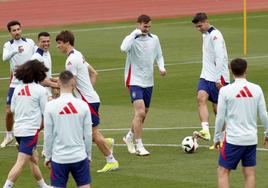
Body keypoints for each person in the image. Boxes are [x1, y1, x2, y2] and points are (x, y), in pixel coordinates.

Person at [55, 30, 119, 172]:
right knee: (88, 132)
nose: (57, 46)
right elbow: (93, 73)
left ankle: (111, 160)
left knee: (92, 134)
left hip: (87, 101)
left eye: (59, 43)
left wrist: (53, 87)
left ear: (67, 43)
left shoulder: (70, 61)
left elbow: (71, 83)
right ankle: (107, 142)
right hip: (91, 99)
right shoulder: (78, 54)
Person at [213, 58, 268, 188]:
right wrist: (267, 133)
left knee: (223, 171)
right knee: (249, 173)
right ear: (246, 69)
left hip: (233, 140)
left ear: (231, 70)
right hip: (251, 139)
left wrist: (217, 137)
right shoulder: (256, 89)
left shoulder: (225, 91)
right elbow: (264, 114)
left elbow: (220, 117)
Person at [120, 14, 166, 156]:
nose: (147, 29)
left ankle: (129, 137)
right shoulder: (132, 39)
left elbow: (159, 55)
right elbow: (123, 48)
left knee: (143, 114)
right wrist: (135, 33)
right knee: (139, 112)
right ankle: (139, 145)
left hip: (148, 81)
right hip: (134, 80)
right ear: (139, 24)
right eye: (145, 26)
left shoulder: (155, 39)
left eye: (149, 26)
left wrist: (161, 67)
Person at [3, 60, 51, 188]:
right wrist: (39, 128)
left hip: (18, 130)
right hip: (30, 132)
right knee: (20, 163)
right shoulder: (40, 90)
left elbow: (12, 109)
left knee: (33, 159)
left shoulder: (17, 89)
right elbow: (46, 113)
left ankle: (43, 186)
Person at [44, 71, 92, 188]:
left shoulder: (50, 106)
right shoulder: (83, 105)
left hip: (59, 158)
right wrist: (88, 155)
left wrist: (48, 156)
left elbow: (48, 134)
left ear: (58, 83)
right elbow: (88, 134)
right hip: (79, 156)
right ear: (73, 83)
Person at [191, 13, 230, 143]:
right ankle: (205, 131)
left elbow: (220, 57)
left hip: (218, 78)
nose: (199, 29)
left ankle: (223, 137)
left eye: (200, 26)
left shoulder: (215, 35)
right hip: (205, 76)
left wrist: (219, 78)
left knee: (218, 109)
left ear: (207, 21)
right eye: (196, 27)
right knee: (201, 98)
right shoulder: (205, 35)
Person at [1, 20, 35, 148]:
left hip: (29, 82)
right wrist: (15, 50)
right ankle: (9, 135)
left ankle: (23, 136)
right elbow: (4, 58)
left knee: (27, 110)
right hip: (15, 83)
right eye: (14, 30)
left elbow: (36, 57)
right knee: (9, 111)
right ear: (10, 32)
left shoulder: (30, 43)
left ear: (21, 29)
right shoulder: (8, 45)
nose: (17, 32)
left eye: (18, 29)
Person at [31, 31, 59, 100]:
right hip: (40, 94)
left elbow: (47, 75)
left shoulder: (47, 52)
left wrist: (54, 86)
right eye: (43, 41)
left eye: (48, 41)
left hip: (47, 92)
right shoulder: (36, 58)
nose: (46, 43)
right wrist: (58, 86)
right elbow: (42, 81)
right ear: (38, 42)